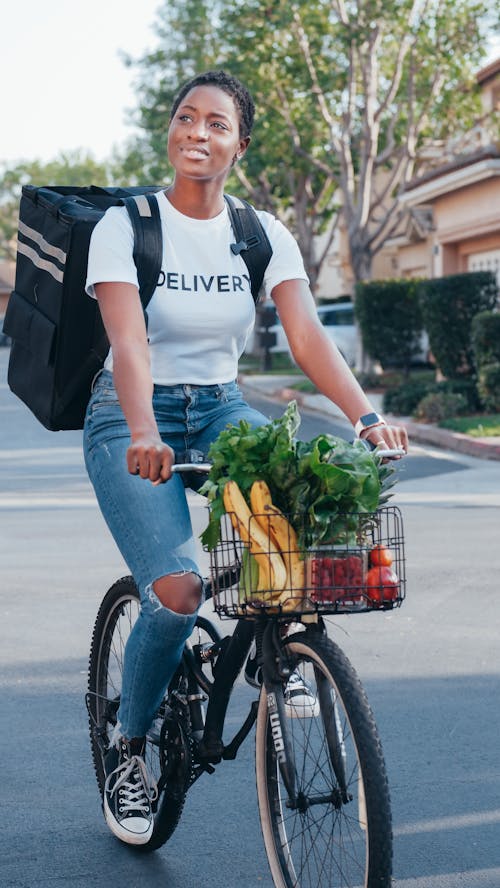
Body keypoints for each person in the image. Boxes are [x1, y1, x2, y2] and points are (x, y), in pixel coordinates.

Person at [83, 69, 408, 846]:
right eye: (186, 118)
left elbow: (306, 337)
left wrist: (365, 417)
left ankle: (283, 654)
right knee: (178, 592)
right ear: (171, 131)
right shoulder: (125, 225)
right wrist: (143, 430)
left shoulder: (260, 231)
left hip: (224, 407)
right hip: (133, 413)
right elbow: (129, 342)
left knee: (290, 544)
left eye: (216, 123)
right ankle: (131, 747)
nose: (198, 132)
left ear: (240, 143)